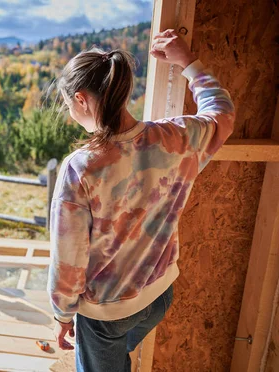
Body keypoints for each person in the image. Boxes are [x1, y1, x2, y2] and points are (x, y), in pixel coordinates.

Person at [47, 29, 235, 371]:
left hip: (108, 313)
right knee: (121, 360)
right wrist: (188, 63)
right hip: (160, 294)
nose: (69, 112)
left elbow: (68, 260)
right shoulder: (175, 139)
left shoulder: (81, 169)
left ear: (81, 99)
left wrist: (62, 315)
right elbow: (221, 112)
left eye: (67, 104)